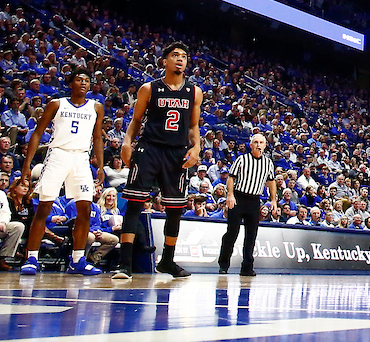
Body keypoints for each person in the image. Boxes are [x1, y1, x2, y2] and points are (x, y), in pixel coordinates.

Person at [112, 42, 203, 279]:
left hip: (177, 154)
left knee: (175, 209)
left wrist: (196, 147)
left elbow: (193, 125)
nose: (180, 59)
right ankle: (125, 264)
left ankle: (168, 262)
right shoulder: (149, 88)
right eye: (175, 55)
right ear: (164, 61)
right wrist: (126, 142)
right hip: (149, 149)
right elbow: (136, 120)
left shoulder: (194, 92)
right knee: (134, 204)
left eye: (184, 56)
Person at [19, 70, 105, 275]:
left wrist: (100, 166)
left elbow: (98, 137)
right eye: (79, 79)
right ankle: (31, 257)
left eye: (87, 80)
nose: (83, 83)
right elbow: (38, 132)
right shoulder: (57, 104)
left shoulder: (96, 107)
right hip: (58, 155)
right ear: (71, 83)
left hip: (82, 158)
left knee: (85, 209)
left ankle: (77, 260)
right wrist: (26, 164)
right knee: (44, 208)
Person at [217, 133, 277, 277]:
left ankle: (247, 267)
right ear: (251, 145)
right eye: (255, 142)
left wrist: (274, 200)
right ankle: (224, 264)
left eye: (261, 142)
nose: (258, 145)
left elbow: (271, 181)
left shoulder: (268, 163)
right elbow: (231, 178)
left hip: (254, 200)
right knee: (232, 232)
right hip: (238, 197)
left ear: (265, 145)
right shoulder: (242, 159)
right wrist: (230, 195)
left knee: (251, 235)